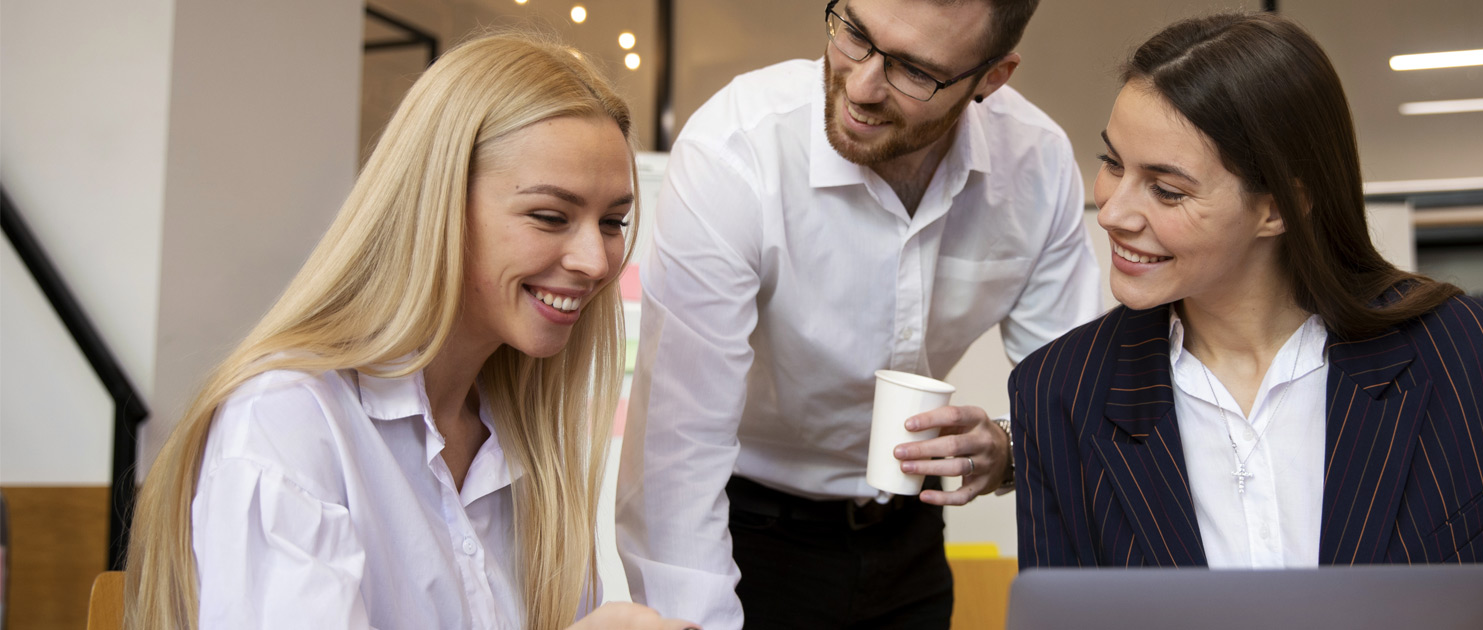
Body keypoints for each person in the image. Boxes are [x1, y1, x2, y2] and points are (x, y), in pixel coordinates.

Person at [1009, 13, 1483, 629]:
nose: (1113, 211)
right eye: (1112, 163)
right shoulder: (1058, 392)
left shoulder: (1465, 352)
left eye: (1167, 189)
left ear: (1278, 207)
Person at [121, 33, 695, 630]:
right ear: (437, 203)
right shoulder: (288, 420)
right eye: (550, 217)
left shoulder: (529, 443)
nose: (596, 262)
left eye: (612, 222)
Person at [614, 0, 1100, 627]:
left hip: (912, 536)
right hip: (748, 536)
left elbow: (1075, 396)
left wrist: (1007, 447)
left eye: (915, 71)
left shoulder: (1036, 165)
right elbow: (675, 452)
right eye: (855, 35)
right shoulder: (738, 147)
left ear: (991, 79)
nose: (861, 86)